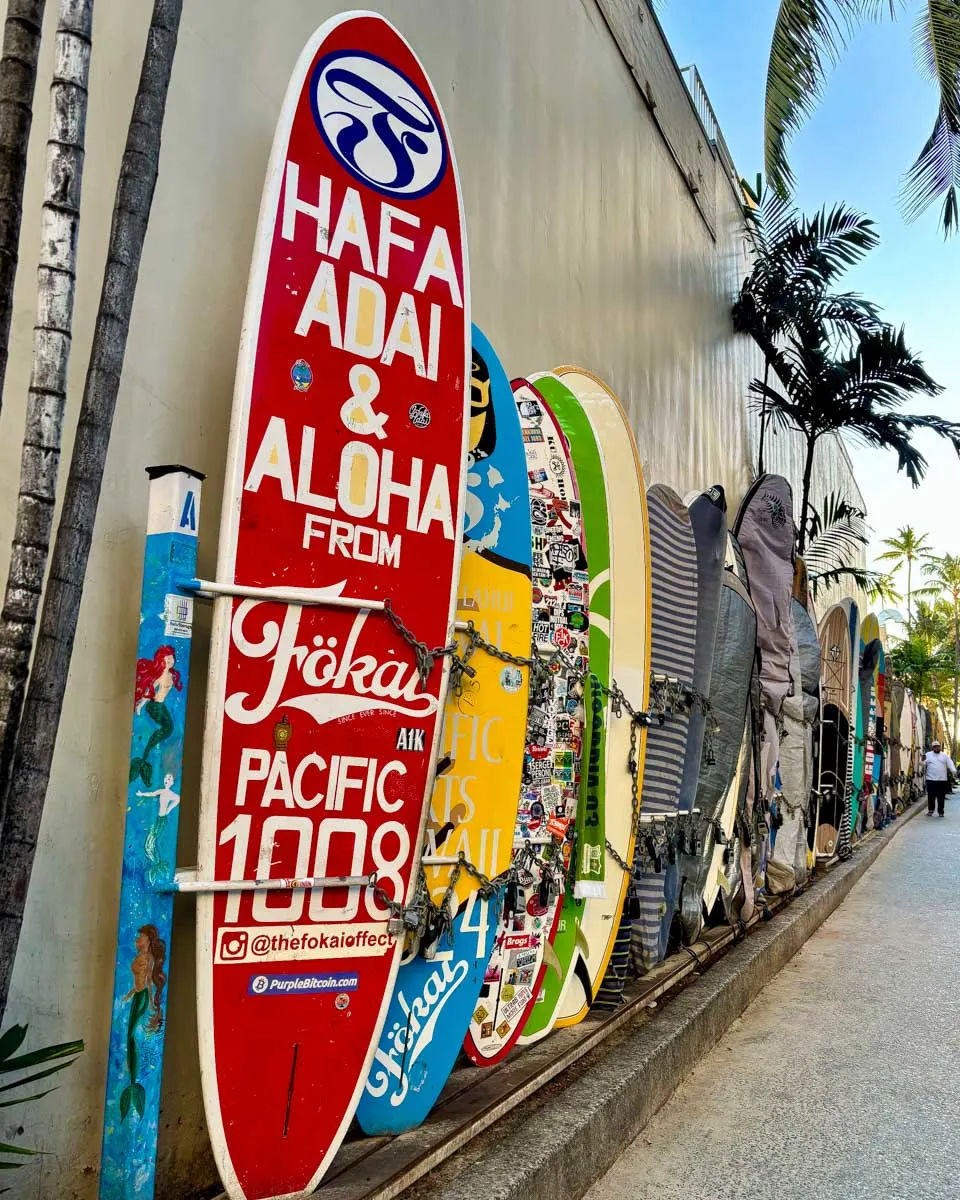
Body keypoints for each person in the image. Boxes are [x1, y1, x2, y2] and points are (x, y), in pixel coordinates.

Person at [924, 740, 956, 817]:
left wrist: (953, 770)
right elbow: (922, 762)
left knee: (941, 797)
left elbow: (950, 763)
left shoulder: (944, 756)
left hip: (942, 780)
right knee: (931, 796)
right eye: (935, 746)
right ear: (932, 748)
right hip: (931, 779)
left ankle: (941, 811)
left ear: (940, 747)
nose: (936, 748)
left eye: (937, 746)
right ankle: (931, 810)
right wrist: (921, 762)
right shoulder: (928, 755)